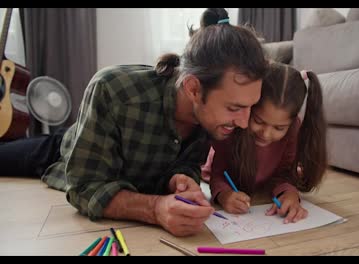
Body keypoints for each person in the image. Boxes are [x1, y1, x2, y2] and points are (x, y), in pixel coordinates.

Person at [0, 8, 267, 237]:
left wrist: (181, 178)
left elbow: (188, 162)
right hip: (69, 149)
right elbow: (84, 187)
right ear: (193, 89)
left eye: (250, 107)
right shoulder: (113, 90)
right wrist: (154, 209)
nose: (244, 122)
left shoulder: (212, 118)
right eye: (235, 108)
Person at [203, 61, 327, 224]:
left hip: (264, 183)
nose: (266, 134)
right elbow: (219, 173)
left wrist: (289, 193)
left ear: (291, 123)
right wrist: (225, 195)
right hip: (220, 174)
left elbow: (284, 173)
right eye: (258, 121)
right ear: (250, 107)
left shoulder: (292, 129)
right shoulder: (233, 128)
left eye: (279, 128)